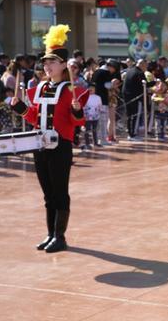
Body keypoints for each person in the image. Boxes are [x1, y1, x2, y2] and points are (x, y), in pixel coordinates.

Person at [9, 25, 88, 253]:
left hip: (60, 146)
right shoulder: (41, 87)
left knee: (59, 191)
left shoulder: (73, 90)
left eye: (52, 62)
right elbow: (34, 116)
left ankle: (60, 236)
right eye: (45, 62)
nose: (47, 66)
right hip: (39, 144)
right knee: (47, 193)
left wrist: (76, 110)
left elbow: (77, 124)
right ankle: (50, 233)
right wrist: (21, 107)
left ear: (64, 64)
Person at [123, 59, 150, 140]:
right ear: (141, 65)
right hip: (136, 98)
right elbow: (144, 84)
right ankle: (133, 134)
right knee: (135, 116)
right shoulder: (140, 73)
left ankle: (130, 133)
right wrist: (154, 83)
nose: (146, 67)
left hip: (127, 97)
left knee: (129, 116)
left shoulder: (130, 71)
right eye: (145, 65)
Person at [83, 83, 101, 149]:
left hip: (96, 116)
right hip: (87, 116)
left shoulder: (98, 97)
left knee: (95, 130)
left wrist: (100, 111)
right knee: (87, 130)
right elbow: (83, 106)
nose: (91, 89)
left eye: (93, 88)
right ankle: (87, 143)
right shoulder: (85, 97)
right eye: (89, 88)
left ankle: (95, 143)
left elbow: (100, 106)